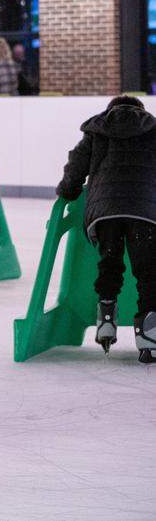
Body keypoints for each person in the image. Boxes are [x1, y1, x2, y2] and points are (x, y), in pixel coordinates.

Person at [56, 95, 156, 363]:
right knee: (148, 272)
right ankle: (150, 339)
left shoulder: (96, 131)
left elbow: (76, 166)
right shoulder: (152, 130)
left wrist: (68, 190)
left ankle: (107, 321)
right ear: (140, 111)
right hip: (145, 212)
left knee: (109, 264)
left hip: (105, 213)